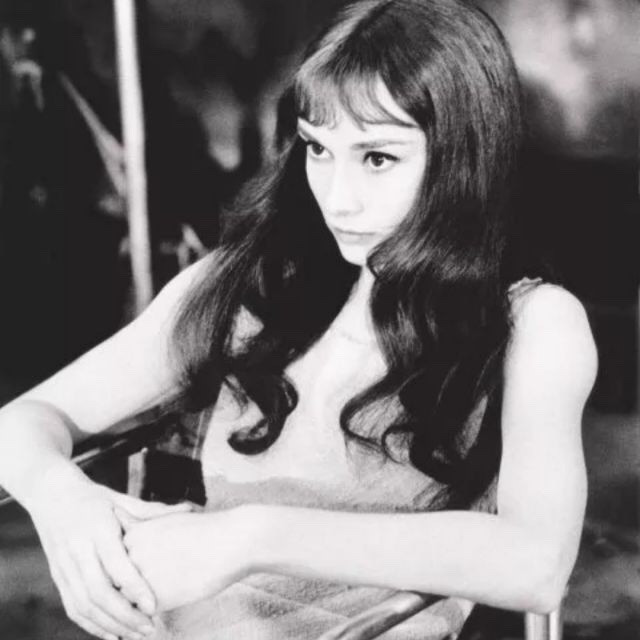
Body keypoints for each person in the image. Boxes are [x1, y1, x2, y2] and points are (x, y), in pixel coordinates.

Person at [0, 0, 597, 638]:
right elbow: (23, 421)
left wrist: (252, 537)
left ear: (463, 157)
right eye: (318, 148)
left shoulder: (534, 324)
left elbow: (537, 565)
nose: (337, 198)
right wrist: (63, 500)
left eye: (377, 158)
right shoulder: (247, 288)